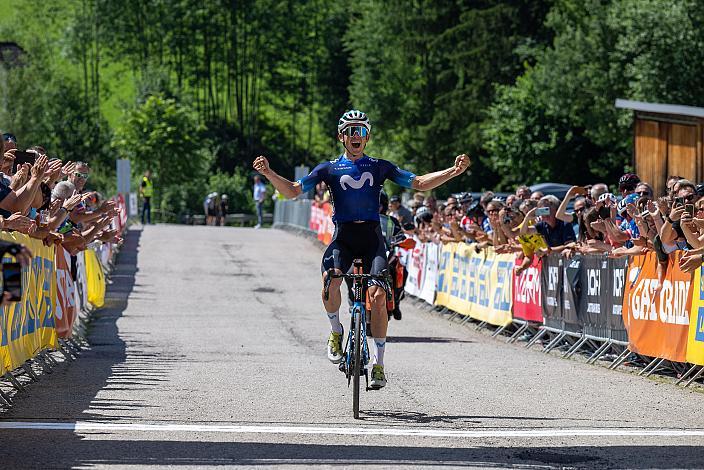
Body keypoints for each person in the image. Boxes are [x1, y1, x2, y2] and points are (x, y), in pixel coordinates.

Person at [252, 109, 470, 389]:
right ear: (341, 136)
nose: (356, 136)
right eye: (351, 131)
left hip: (371, 238)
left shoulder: (379, 166)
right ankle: (335, 331)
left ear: (367, 137)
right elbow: (294, 190)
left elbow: (418, 183)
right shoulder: (328, 168)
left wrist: (453, 171)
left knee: (378, 296)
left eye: (362, 132)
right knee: (330, 280)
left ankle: (379, 363)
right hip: (343, 237)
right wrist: (269, 172)